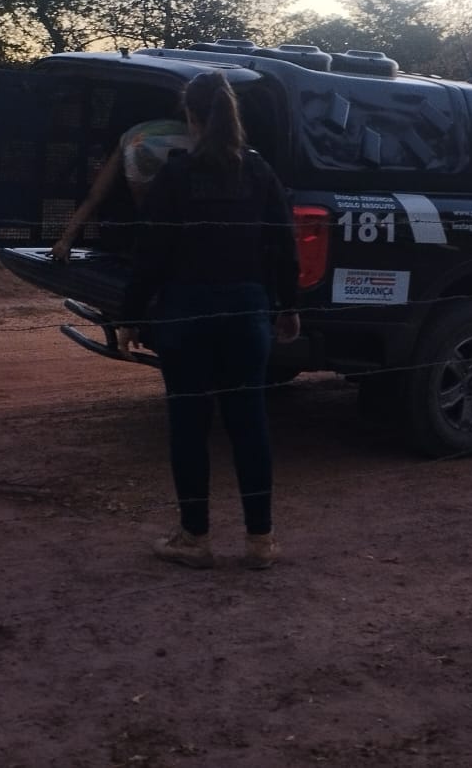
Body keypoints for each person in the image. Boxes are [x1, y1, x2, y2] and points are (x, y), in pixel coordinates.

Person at [117, 71, 299, 570]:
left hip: (186, 315)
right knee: (249, 424)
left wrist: (130, 316)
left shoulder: (175, 176)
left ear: (190, 116)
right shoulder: (258, 172)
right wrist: (288, 306)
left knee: (189, 426)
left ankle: (194, 537)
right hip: (247, 312)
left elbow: (150, 254)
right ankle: (260, 540)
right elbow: (283, 244)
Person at [50, 115, 194, 261]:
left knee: (148, 215)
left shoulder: (129, 136)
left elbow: (96, 193)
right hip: (180, 144)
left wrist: (65, 240)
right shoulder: (191, 130)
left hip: (136, 144)